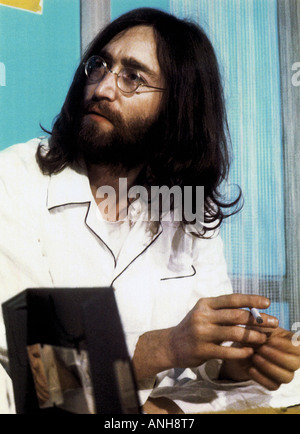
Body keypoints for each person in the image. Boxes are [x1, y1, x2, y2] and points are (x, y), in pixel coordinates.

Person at [0, 8, 299, 414]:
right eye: (99, 65)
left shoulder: (187, 206)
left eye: (133, 77)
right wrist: (166, 346)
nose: (103, 87)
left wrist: (240, 363)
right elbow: (35, 368)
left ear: (178, 107)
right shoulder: (15, 176)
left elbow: (211, 360)